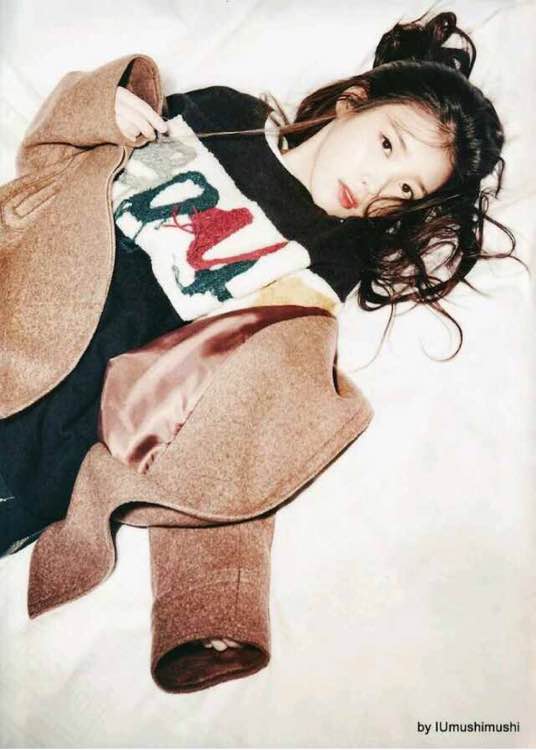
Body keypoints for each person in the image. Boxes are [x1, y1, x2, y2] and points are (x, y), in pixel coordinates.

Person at [0, 9, 523, 630]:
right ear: (352, 103)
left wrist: (211, 611)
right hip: (22, 303)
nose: (375, 185)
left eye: (406, 191)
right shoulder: (226, 116)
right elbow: (51, 164)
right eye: (387, 145)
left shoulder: (325, 265)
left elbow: (241, 427)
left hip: (54, 439)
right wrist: (102, 109)